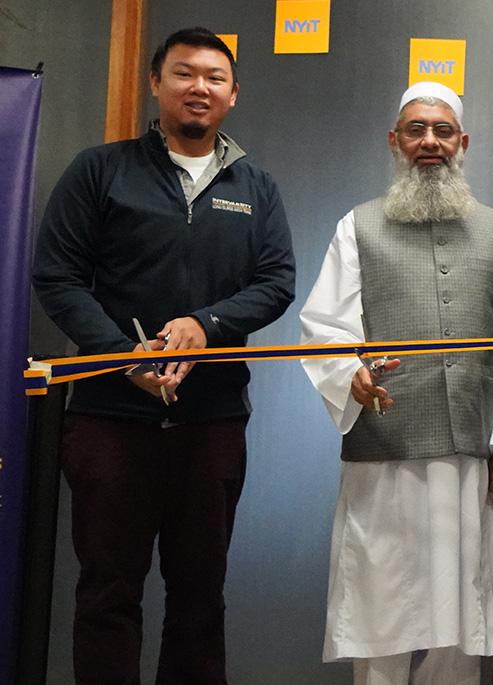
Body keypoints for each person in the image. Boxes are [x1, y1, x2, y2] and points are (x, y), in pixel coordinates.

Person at [31, 27, 295, 683]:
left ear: (233, 93)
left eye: (213, 77)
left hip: (211, 423)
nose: (198, 87)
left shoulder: (254, 186)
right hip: (108, 420)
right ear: (156, 83)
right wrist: (123, 355)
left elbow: (276, 281)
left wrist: (207, 325)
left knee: (201, 600)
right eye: (183, 73)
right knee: (106, 596)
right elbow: (57, 275)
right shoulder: (102, 170)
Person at [299, 81, 493, 685]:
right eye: (415, 130)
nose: (429, 141)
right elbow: (326, 325)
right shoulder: (358, 227)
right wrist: (348, 373)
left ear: (462, 143)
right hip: (385, 455)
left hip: (469, 457)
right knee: (380, 607)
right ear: (394, 141)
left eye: (442, 131)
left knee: (462, 615)